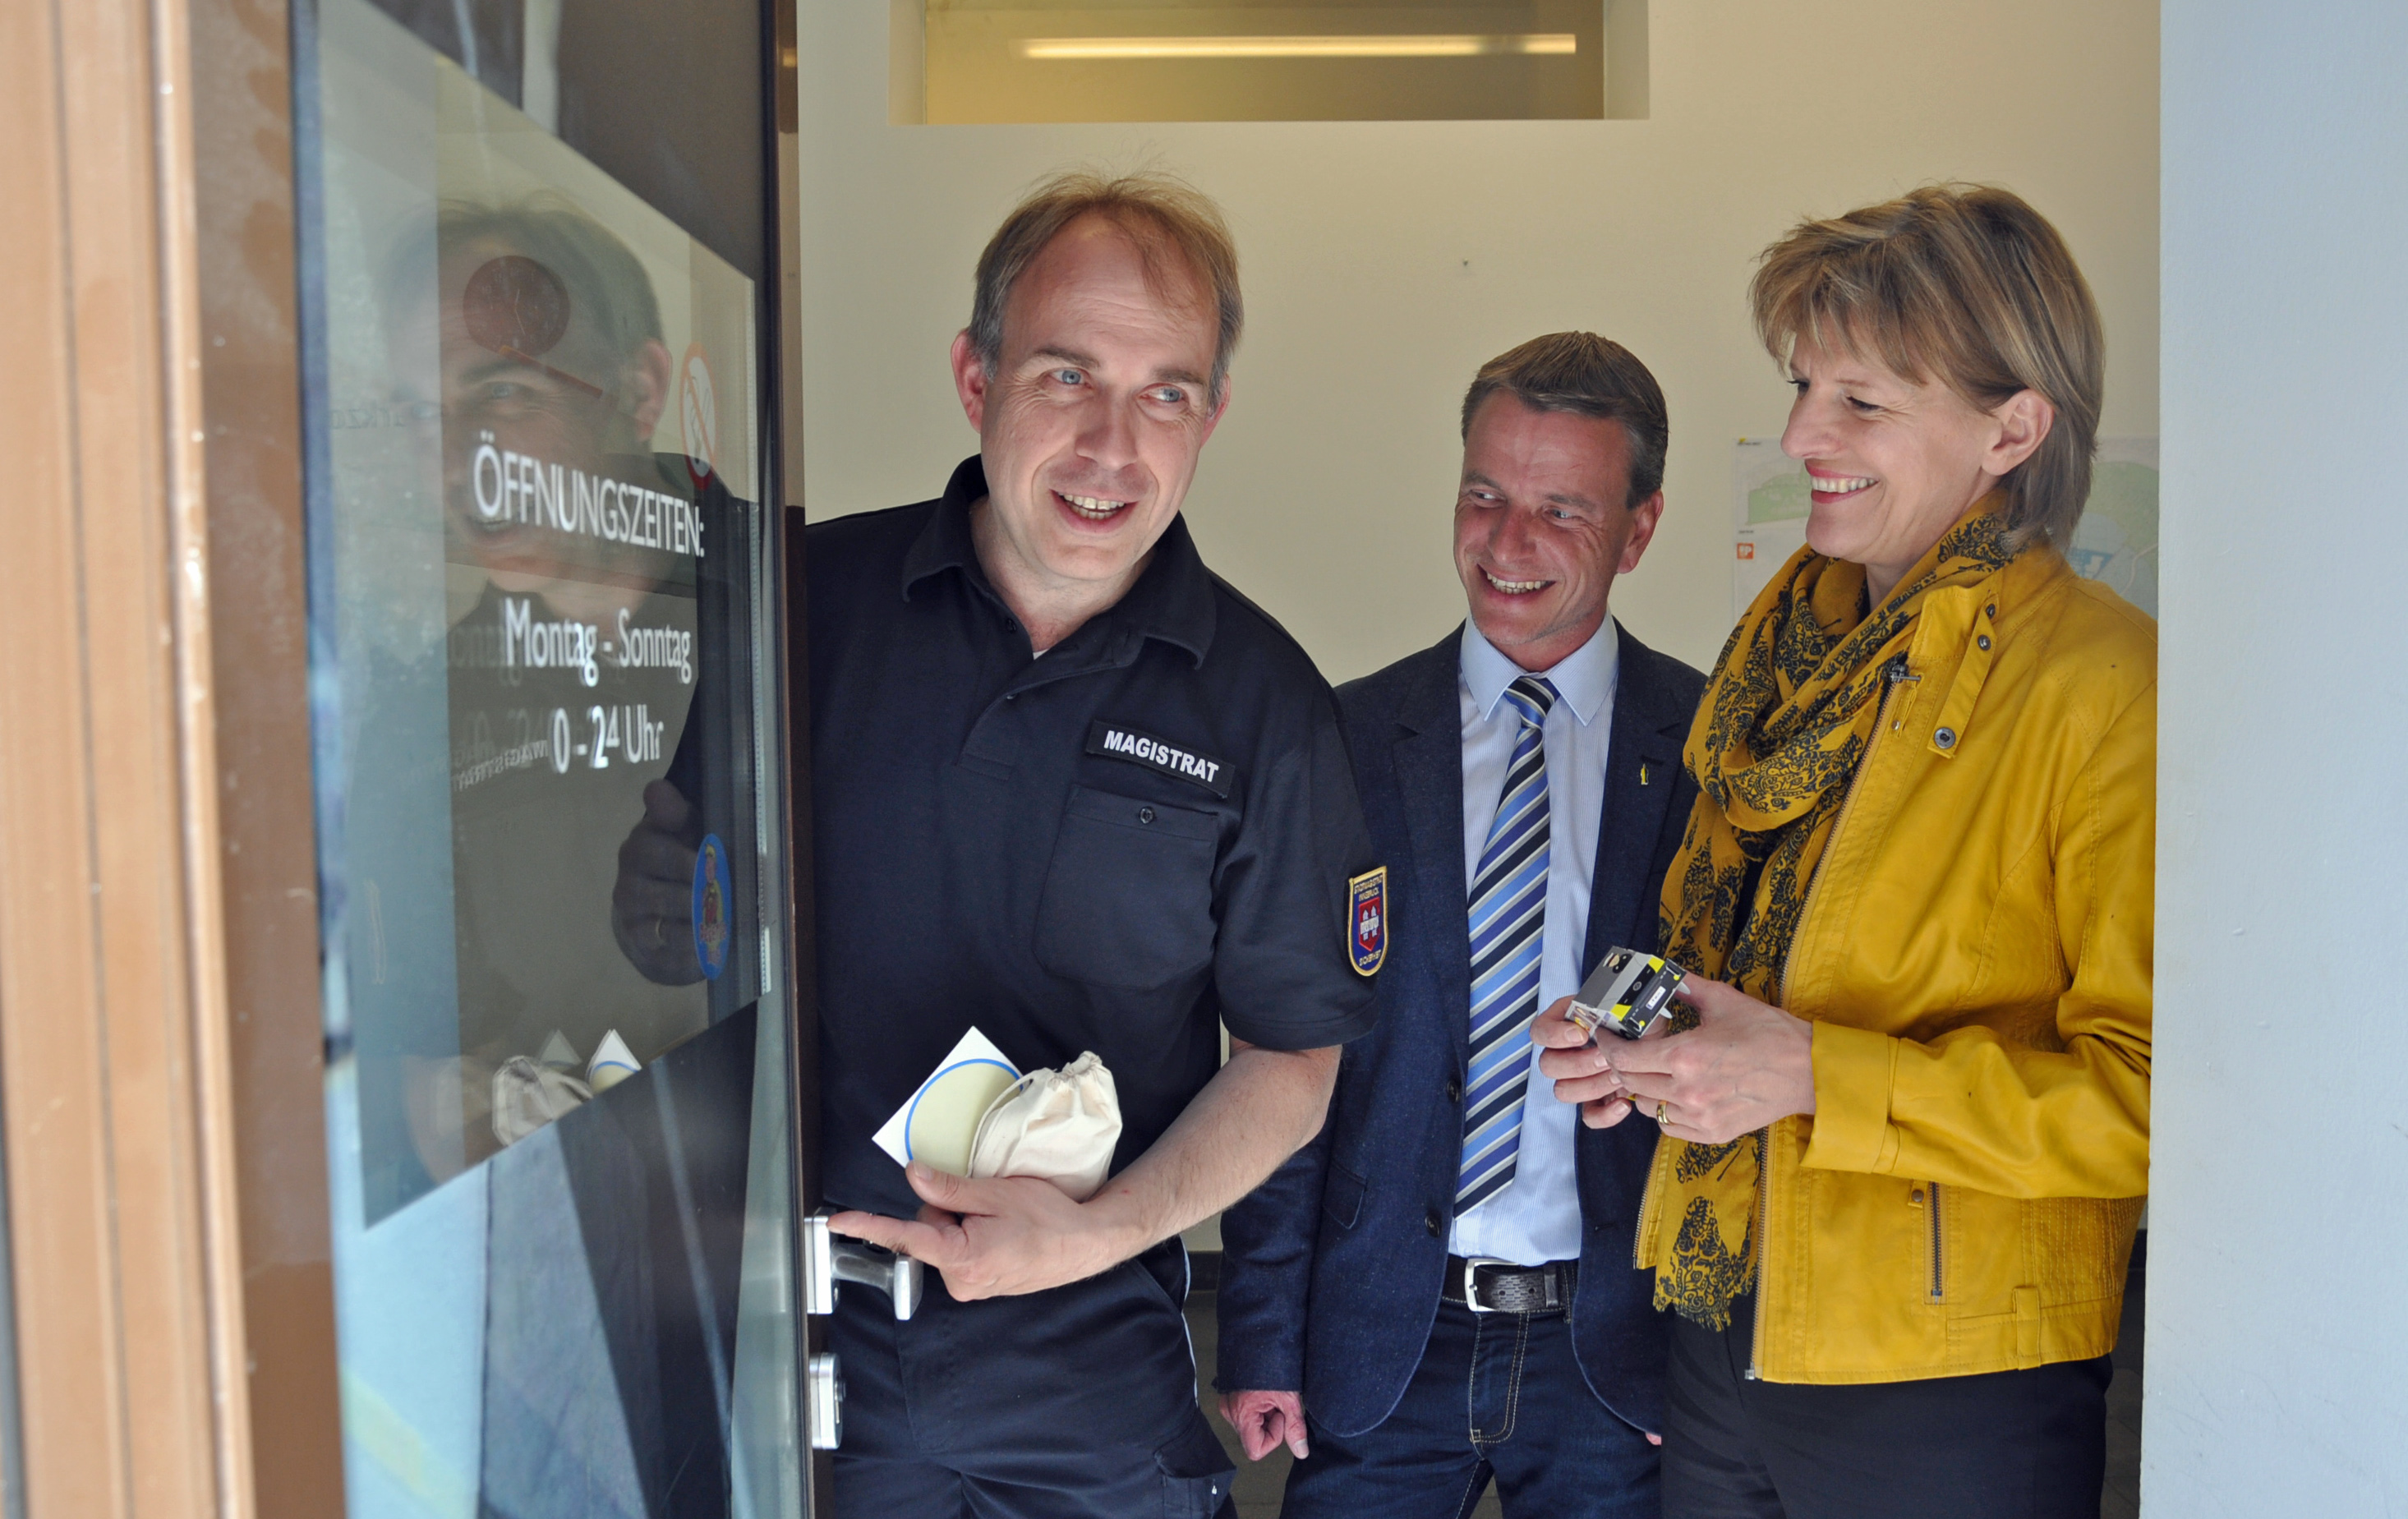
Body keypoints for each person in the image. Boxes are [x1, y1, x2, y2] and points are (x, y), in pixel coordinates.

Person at [1535, 184, 2153, 1518]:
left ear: (2013, 428)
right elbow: (1760, 974)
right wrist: (1651, 1046)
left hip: (1949, 1386)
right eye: (1806, 385)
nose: (1803, 432)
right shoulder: (1781, 658)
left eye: (1862, 402)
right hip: (1717, 1333)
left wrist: (1814, 1075)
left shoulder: (2106, 684)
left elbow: (2151, 1102)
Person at [808, 170, 1382, 1518]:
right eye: (1068, 376)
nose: (1114, 446)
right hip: (802, 1350)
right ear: (974, 377)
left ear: (1212, 416)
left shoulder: (1265, 703)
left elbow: (1296, 1060)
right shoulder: (807, 611)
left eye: (1166, 392)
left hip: (1087, 1372)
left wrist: (1100, 1232)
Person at [1216, 333, 1707, 1517]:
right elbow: (1291, 1051)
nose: (1508, 543)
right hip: (1387, 1335)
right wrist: (1261, 1333)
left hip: (1616, 1354)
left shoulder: (1706, 755)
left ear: (1639, 530)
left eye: (1560, 509)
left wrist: (1713, 1368)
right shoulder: (1344, 739)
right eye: (1484, 495)